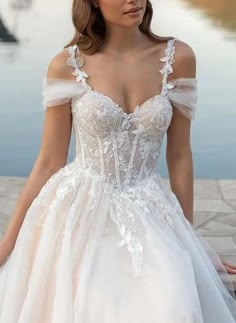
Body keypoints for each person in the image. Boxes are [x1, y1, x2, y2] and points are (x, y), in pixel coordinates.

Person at [0, 0, 236, 322]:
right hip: (80, 213)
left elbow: (179, 157)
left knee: (174, 308)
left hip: (150, 209)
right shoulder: (67, 65)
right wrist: (6, 246)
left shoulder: (178, 58)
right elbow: (49, 161)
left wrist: (189, 244)